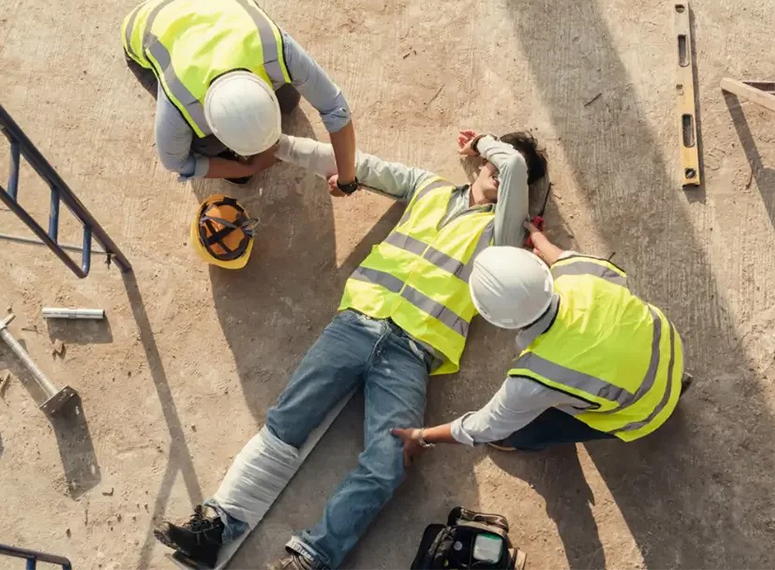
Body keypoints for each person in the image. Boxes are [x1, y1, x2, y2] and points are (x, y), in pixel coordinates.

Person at [153, 130, 549, 569]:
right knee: (285, 423)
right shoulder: (428, 187)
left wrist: (487, 143)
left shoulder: (505, 233)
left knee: (388, 464)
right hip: (356, 322)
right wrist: (274, 141)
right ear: (479, 166)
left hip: (412, 354)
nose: (497, 173)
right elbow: (355, 164)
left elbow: (513, 167)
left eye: (506, 171)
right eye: (491, 165)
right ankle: (215, 529)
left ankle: (312, 557)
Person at [392, 224, 690, 458]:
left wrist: (421, 436)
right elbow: (559, 257)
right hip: (670, 352)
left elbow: (483, 426)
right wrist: (538, 237)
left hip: (643, 411)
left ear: (495, 319)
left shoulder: (536, 375)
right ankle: (674, 383)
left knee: (514, 432)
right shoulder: (582, 273)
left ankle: (525, 441)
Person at [122, 0, 359, 194]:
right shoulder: (181, 101)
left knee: (289, 100)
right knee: (207, 144)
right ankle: (222, 147)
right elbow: (177, 162)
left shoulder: (275, 49)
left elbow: (335, 109)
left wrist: (347, 180)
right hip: (143, 27)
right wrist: (247, 169)